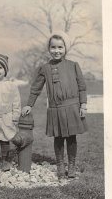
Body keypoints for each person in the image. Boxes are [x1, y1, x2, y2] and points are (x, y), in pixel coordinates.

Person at [22, 32, 87, 179]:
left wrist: (83, 105)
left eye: (60, 47)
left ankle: (71, 166)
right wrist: (29, 105)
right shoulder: (44, 68)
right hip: (55, 109)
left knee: (71, 138)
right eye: (53, 47)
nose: (56, 50)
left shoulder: (73, 66)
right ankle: (59, 165)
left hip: (72, 107)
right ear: (49, 49)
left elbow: (82, 86)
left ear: (65, 48)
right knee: (58, 138)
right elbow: (35, 88)